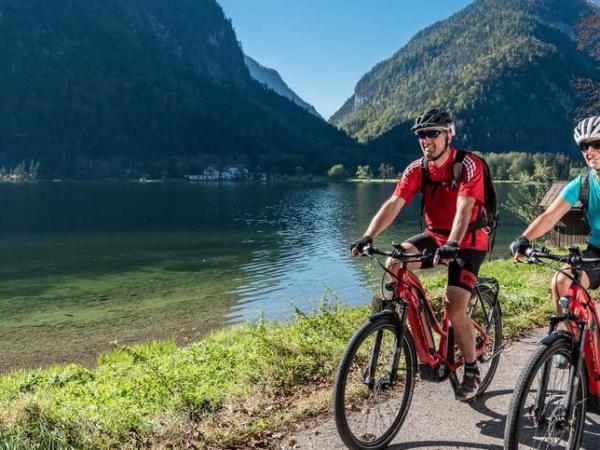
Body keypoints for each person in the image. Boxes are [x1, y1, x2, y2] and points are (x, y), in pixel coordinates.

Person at [351, 108, 490, 401]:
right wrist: (368, 236)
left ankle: (471, 369)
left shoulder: (469, 164)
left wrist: (452, 243)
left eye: (433, 133)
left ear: (449, 134)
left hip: (468, 241)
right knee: (394, 263)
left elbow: (465, 207)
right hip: (436, 235)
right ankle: (421, 337)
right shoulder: (418, 169)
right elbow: (394, 202)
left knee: (454, 309)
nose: (426, 140)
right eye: (421, 135)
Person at [510, 116, 600, 342]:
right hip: (597, 252)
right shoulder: (583, 184)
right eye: (584, 146)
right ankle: (575, 344)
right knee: (561, 281)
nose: (590, 151)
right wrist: (524, 238)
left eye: (597, 144)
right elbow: (550, 216)